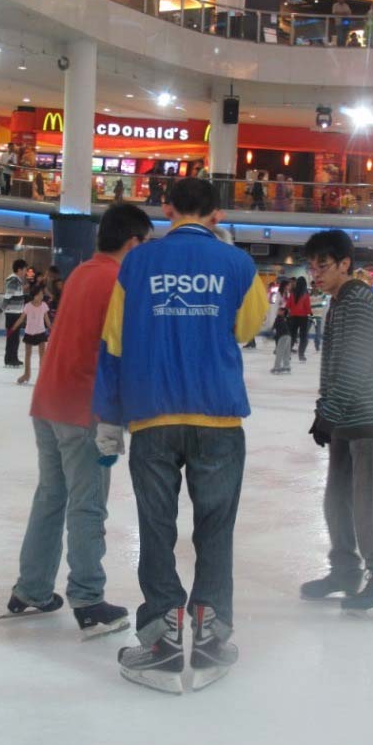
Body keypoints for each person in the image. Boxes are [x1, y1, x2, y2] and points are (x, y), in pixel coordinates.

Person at [94, 176, 268, 694]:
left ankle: (161, 641)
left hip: (153, 417)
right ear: (216, 213)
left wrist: (108, 416)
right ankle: (212, 635)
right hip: (217, 417)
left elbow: (113, 344)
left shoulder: (137, 263)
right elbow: (247, 327)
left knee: (156, 528)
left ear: (167, 207)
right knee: (215, 529)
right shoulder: (238, 265)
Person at [5, 203, 153, 636]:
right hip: (84, 410)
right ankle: (88, 600)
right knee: (88, 505)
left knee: (50, 498)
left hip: (48, 403)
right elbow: (125, 351)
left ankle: (31, 589)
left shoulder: (84, 273)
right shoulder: (119, 280)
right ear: (134, 242)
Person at [300, 229, 373, 612]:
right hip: (346, 415)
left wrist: (331, 411)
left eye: (323, 265)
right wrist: (325, 411)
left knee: (365, 501)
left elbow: (356, 362)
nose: (316, 274)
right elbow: (337, 363)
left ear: (345, 263)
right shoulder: (339, 300)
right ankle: (344, 570)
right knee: (336, 498)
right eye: (312, 267)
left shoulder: (357, 299)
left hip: (368, 416)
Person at [14, 287, 51, 385]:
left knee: (42, 356)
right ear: (34, 296)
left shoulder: (44, 305)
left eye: (42, 294)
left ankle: (42, 377)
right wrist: (14, 327)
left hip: (41, 332)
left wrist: (51, 328)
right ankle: (26, 374)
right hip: (29, 333)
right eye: (40, 294)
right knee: (27, 355)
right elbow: (21, 319)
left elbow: (47, 319)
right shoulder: (28, 306)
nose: (42, 296)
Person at [2, 258, 28, 367]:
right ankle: (9, 359)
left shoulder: (17, 280)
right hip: (12, 313)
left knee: (15, 338)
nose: (26, 272)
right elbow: (8, 296)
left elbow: (16, 295)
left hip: (15, 313)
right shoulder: (13, 280)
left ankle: (13, 358)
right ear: (19, 269)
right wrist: (1, 308)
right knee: (12, 338)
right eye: (25, 269)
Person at [287, 276, 312, 361]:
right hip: (303, 318)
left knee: (292, 336)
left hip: (293, 317)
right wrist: (310, 312)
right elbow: (307, 306)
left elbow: (288, 305)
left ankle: (287, 354)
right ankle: (301, 355)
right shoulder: (306, 293)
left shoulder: (292, 292)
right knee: (303, 337)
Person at [270, 278, 292, 374]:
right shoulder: (279, 295)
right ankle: (282, 366)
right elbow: (277, 308)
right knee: (282, 347)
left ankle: (283, 366)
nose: (289, 287)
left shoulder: (286, 295)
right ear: (285, 285)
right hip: (280, 321)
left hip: (283, 321)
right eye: (288, 285)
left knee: (284, 347)